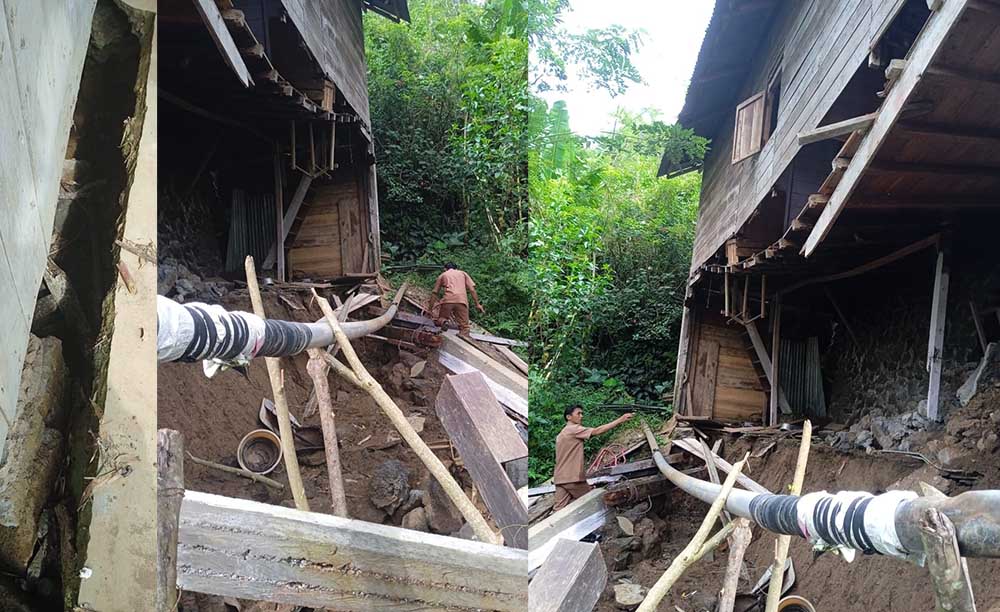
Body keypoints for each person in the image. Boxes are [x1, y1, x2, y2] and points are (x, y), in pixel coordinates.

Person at [553, 405, 633, 510]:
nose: (581, 416)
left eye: (582, 413)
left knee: (559, 509)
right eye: (578, 413)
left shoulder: (561, 434)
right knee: (595, 503)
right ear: (569, 417)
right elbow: (596, 431)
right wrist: (620, 420)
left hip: (560, 478)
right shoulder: (573, 429)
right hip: (572, 478)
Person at [430, 262, 484, 338]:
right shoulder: (463, 273)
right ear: (456, 268)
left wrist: (430, 309)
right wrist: (477, 304)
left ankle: (444, 322)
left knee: (442, 319)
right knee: (465, 327)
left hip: (448, 300)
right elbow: (472, 290)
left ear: (445, 269)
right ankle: (463, 335)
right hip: (462, 300)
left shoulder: (443, 275)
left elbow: (435, 292)